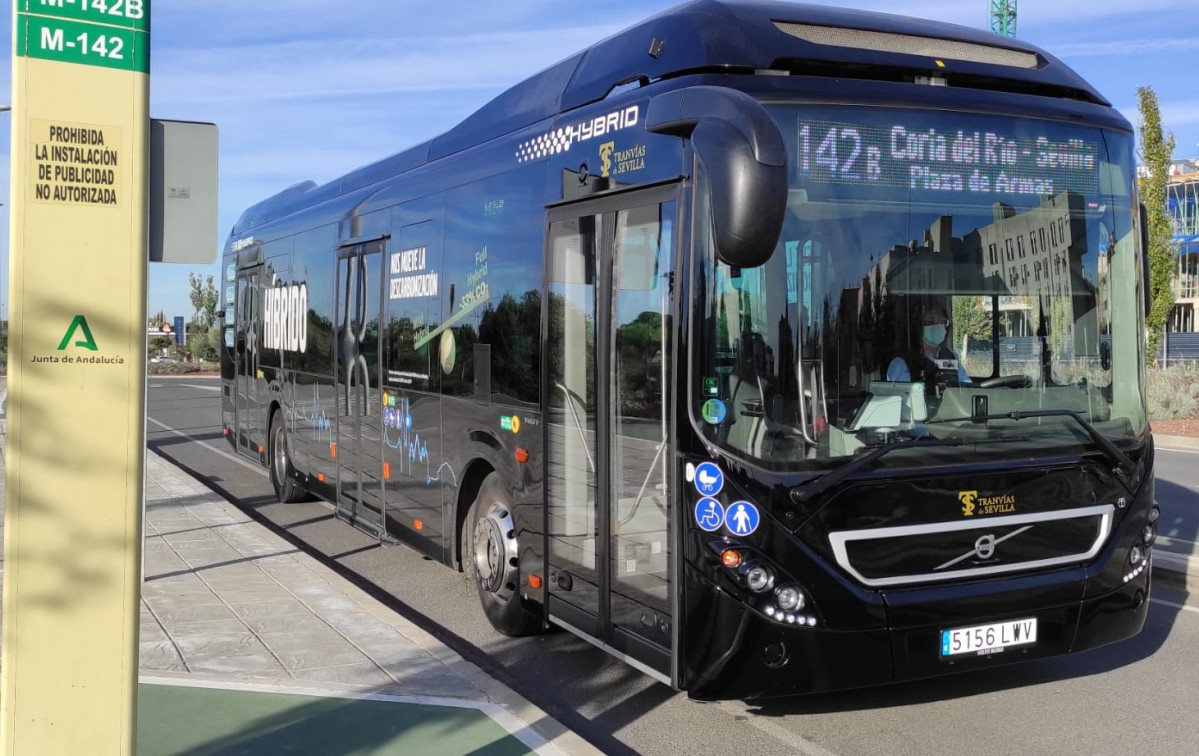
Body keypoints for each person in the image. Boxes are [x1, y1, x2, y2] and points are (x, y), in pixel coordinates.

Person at [886, 305, 971, 387]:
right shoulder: (901, 363)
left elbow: (967, 388)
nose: (938, 325)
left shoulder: (950, 356)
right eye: (931, 322)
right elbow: (898, 398)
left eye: (942, 321)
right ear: (918, 326)